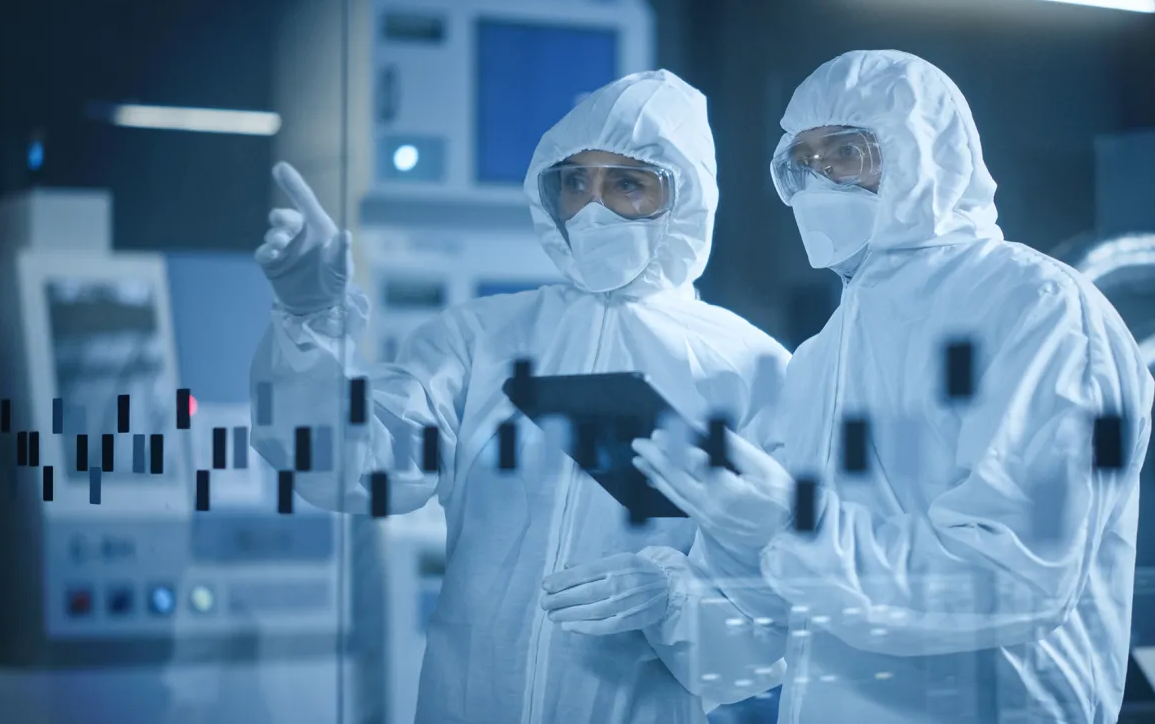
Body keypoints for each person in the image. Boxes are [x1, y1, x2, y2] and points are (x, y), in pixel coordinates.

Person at [248, 69, 790, 723]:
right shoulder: (478, 340)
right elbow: (345, 467)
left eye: (626, 183)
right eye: (573, 182)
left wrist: (672, 598)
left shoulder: (747, 368)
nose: (591, 207)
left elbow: (762, 637)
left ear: (686, 199)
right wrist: (309, 322)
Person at [630, 50, 1155, 723]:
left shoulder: (1036, 307)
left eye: (846, 152)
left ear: (927, 153)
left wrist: (792, 523)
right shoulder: (823, 355)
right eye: (802, 162)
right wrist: (672, 594)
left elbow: (1012, 577)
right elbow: (767, 623)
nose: (820, 181)